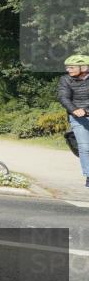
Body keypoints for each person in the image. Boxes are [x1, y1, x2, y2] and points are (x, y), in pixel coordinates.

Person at [58, 54, 89, 188]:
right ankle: (88, 175)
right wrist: (74, 109)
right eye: (67, 67)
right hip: (78, 118)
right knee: (84, 147)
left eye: (71, 67)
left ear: (83, 67)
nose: (68, 70)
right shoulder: (65, 80)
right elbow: (63, 97)